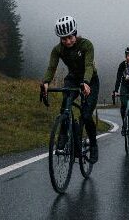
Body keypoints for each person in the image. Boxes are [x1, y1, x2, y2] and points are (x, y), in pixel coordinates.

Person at [42, 15, 100, 163]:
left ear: (75, 33)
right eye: (63, 39)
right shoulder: (57, 50)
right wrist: (46, 82)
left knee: (86, 115)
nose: (67, 41)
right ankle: (63, 136)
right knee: (65, 106)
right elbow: (51, 67)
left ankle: (93, 145)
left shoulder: (86, 45)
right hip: (73, 78)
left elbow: (88, 66)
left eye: (70, 37)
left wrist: (86, 82)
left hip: (90, 79)